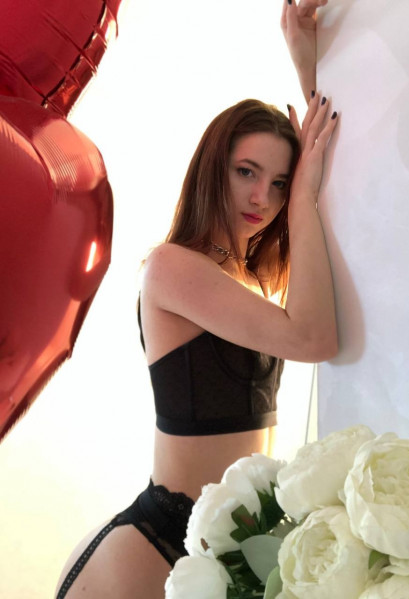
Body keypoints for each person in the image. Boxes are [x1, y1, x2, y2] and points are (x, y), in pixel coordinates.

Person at [55, 1, 337, 597]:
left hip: (236, 544)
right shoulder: (172, 268)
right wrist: (303, 192)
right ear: (214, 168)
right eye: (246, 172)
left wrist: (309, 69)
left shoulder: (252, 279)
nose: (263, 197)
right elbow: (314, 337)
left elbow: (343, 175)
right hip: (159, 540)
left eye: (280, 182)